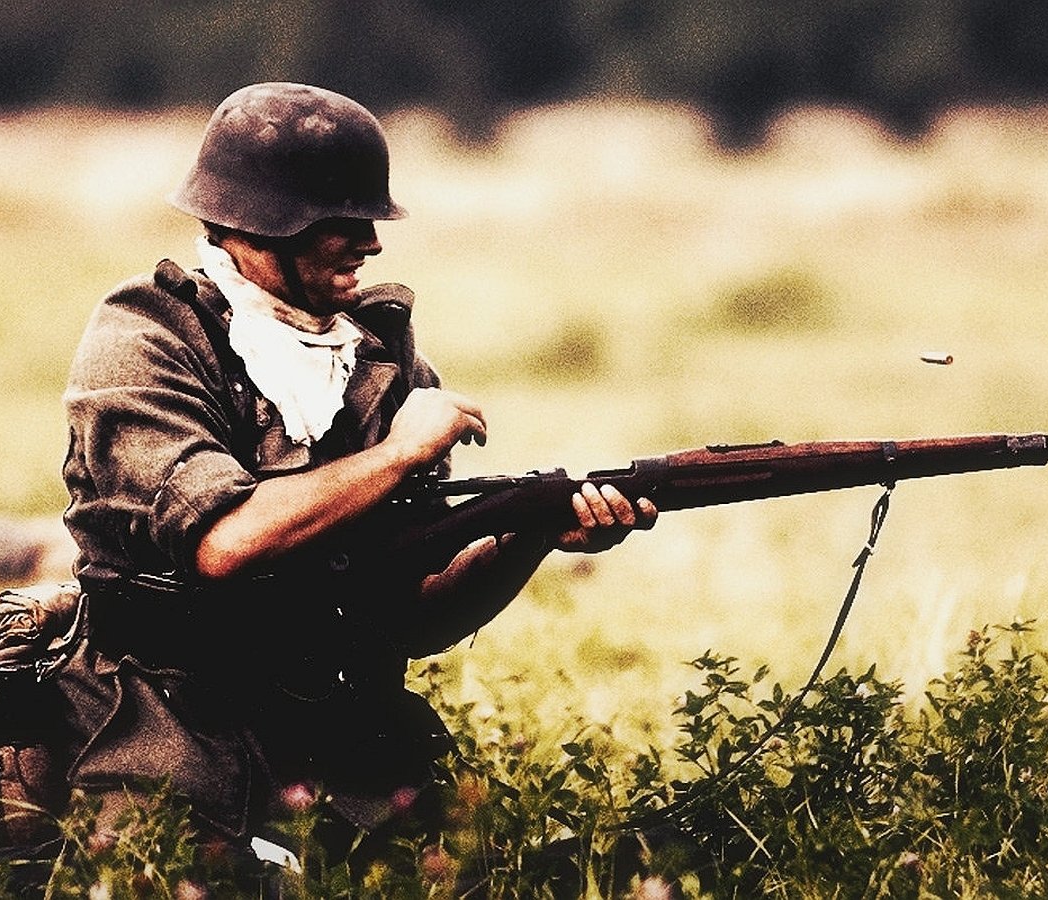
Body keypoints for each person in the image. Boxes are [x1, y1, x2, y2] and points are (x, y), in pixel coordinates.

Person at [54, 81, 657, 874]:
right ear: (249, 228)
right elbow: (225, 543)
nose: (369, 245)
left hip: (343, 746)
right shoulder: (146, 340)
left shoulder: (380, 360)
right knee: (196, 881)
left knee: (493, 878)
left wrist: (529, 535)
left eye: (367, 221)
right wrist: (397, 456)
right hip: (168, 728)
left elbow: (412, 619)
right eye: (335, 223)